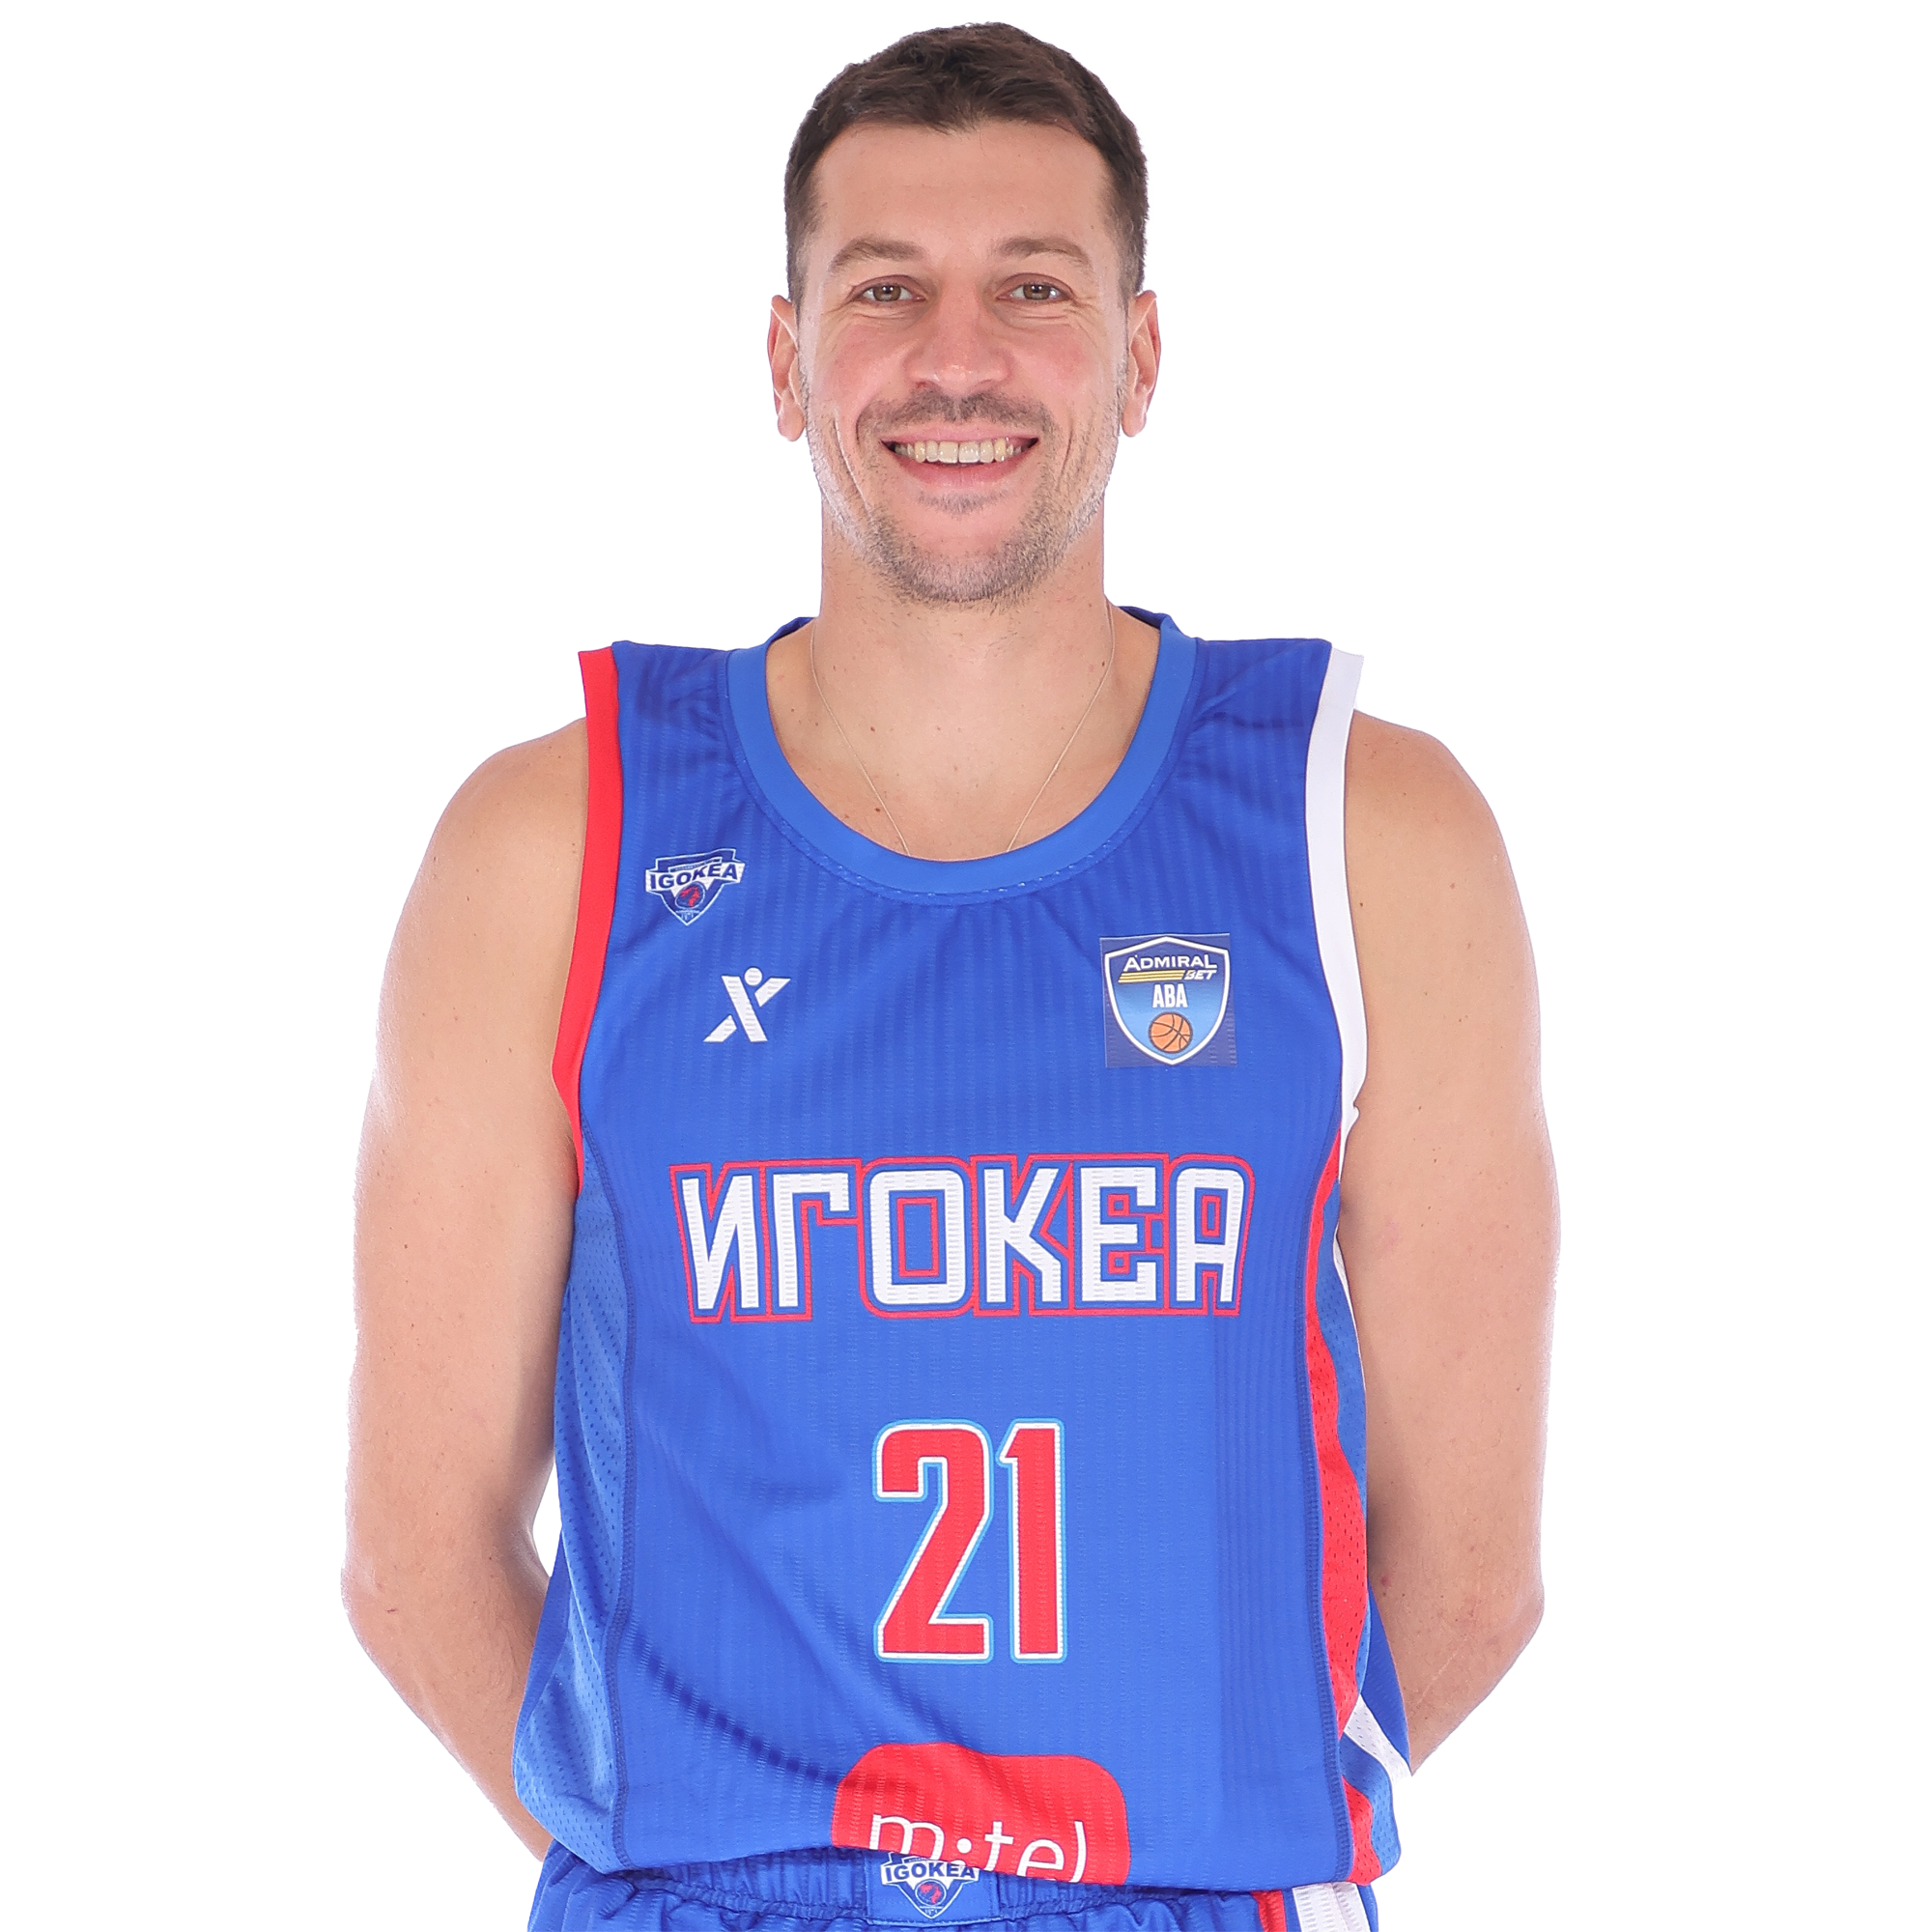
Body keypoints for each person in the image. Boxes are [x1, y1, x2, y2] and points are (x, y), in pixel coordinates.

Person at [345, 22, 1555, 1932]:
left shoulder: (1362, 831)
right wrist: (692, 1869)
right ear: (784, 359)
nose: (958, 358)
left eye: (1035, 289)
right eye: (885, 288)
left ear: (1139, 357)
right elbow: (415, 1554)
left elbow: (1475, 1569)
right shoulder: (554, 844)